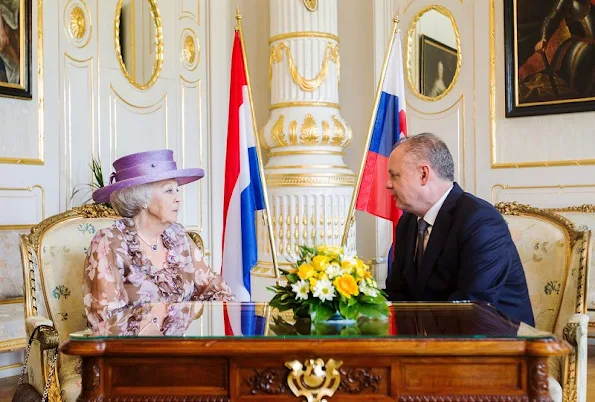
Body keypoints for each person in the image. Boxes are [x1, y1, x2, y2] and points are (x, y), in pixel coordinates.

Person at [383, 133, 535, 325]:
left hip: (496, 342)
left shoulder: (480, 221)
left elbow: (471, 305)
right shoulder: (408, 223)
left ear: (424, 174)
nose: (387, 184)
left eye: (394, 176)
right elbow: (398, 294)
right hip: (433, 340)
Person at [83, 149, 234, 336]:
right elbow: (106, 318)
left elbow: (214, 288)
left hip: (176, 351)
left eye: (177, 190)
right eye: (169, 191)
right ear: (142, 198)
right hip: (127, 354)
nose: (178, 197)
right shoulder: (109, 242)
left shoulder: (179, 238)